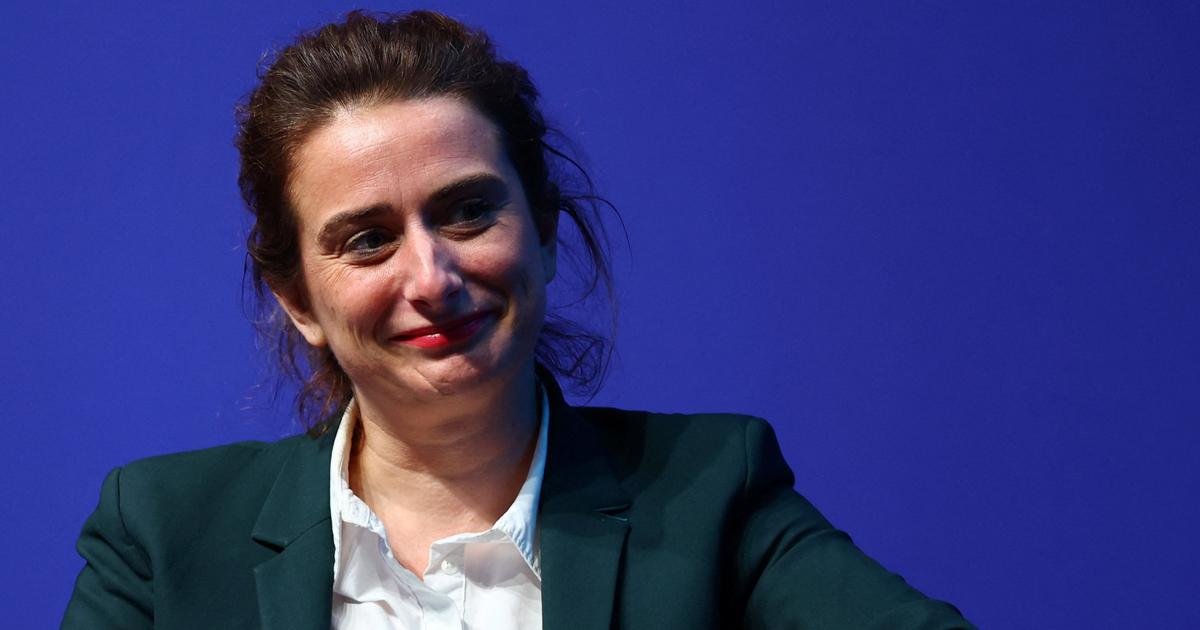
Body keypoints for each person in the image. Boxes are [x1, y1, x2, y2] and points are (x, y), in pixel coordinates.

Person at [62, 10, 975, 629]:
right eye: (368, 240)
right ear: (298, 299)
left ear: (542, 231)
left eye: (467, 212)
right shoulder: (162, 536)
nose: (433, 276)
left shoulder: (711, 495)